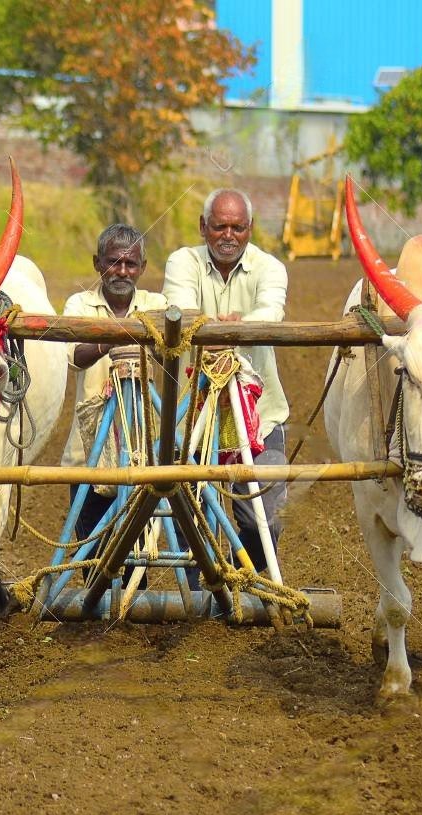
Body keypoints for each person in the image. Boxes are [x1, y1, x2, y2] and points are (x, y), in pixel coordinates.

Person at [162, 188, 289, 572]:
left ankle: (242, 572)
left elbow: (272, 313)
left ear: (250, 229)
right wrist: (227, 327)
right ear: (204, 227)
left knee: (262, 522)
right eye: (220, 227)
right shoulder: (182, 262)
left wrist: (227, 327)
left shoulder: (270, 268)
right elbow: (179, 311)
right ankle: (203, 594)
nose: (228, 235)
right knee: (188, 515)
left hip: (259, 416)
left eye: (237, 227)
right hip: (194, 416)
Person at [62, 224, 169, 543]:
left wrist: (123, 334)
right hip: (88, 449)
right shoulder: (79, 305)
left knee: (138, 558)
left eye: (130, 264)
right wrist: (117, 338)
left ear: (142, 268)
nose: (121, 271)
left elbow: (171, 354)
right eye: (113, 262)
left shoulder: (157, 305)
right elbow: (72, 356)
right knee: (91, 554)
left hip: (141, 449)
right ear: (98, 263)